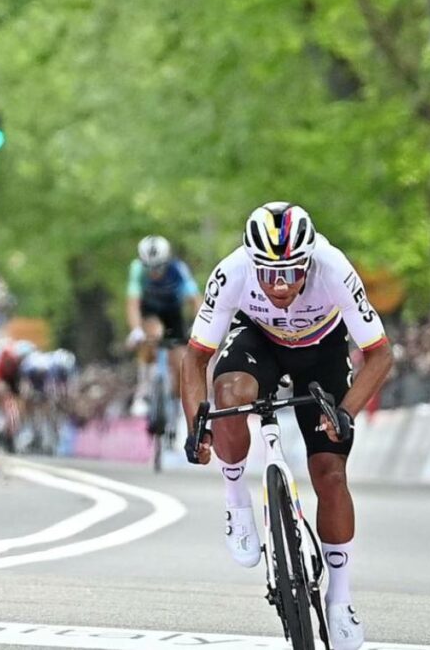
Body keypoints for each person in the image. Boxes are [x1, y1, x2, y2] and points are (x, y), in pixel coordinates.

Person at [181, 202, 394, 650]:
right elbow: (196, 356)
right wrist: (196, 426)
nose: (280, 285)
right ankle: (236, 498)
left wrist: (346, 412)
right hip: (259, 339)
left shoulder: (333, 267)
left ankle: (339, 598)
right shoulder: (232, 272)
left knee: (331, 474)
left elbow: (380, 353)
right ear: (251, 262)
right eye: (269, 273)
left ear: (309, 260)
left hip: (322, 349)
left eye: (293, 272)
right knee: (228, 397)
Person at [125, 235, 201, 423]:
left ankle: (176, 405)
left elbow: (195, 300)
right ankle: (143, 391)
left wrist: (199, 326)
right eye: (149, 267)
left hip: (173, 313)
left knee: (182, 363)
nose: (154, 272)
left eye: (158, 267)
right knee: (152, 334)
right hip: (150, 312)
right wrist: (135, 330)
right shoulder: (137, 269)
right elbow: (132, 303)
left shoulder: (178, 269)